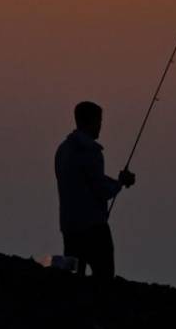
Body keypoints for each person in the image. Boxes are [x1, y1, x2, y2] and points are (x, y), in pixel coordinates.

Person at [54, 101, 135, 279]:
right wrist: (120, 183)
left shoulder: (62, 150)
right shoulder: (92, 152)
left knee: (72, 276)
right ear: (90, 121)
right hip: (93, 229)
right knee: (104, 275)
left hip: (69, 227)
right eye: (99, 121)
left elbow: (84, 181)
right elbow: (101, 190)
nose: (100, 126)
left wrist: (117, 181)